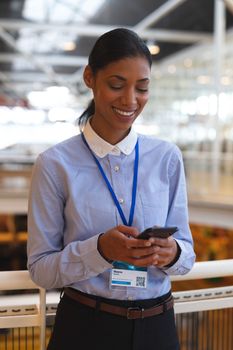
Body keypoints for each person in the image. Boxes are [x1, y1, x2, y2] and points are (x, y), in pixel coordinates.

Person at [27, 28, 195, 350]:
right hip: (86, 327)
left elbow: (186, 253)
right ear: (90, 77)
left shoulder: (167, 157)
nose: (130, 100)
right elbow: (41, 270)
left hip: (158, 326)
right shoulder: (54, 164)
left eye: (142, 88)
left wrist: (171, 252)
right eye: (116, 85)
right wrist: (101, 250)